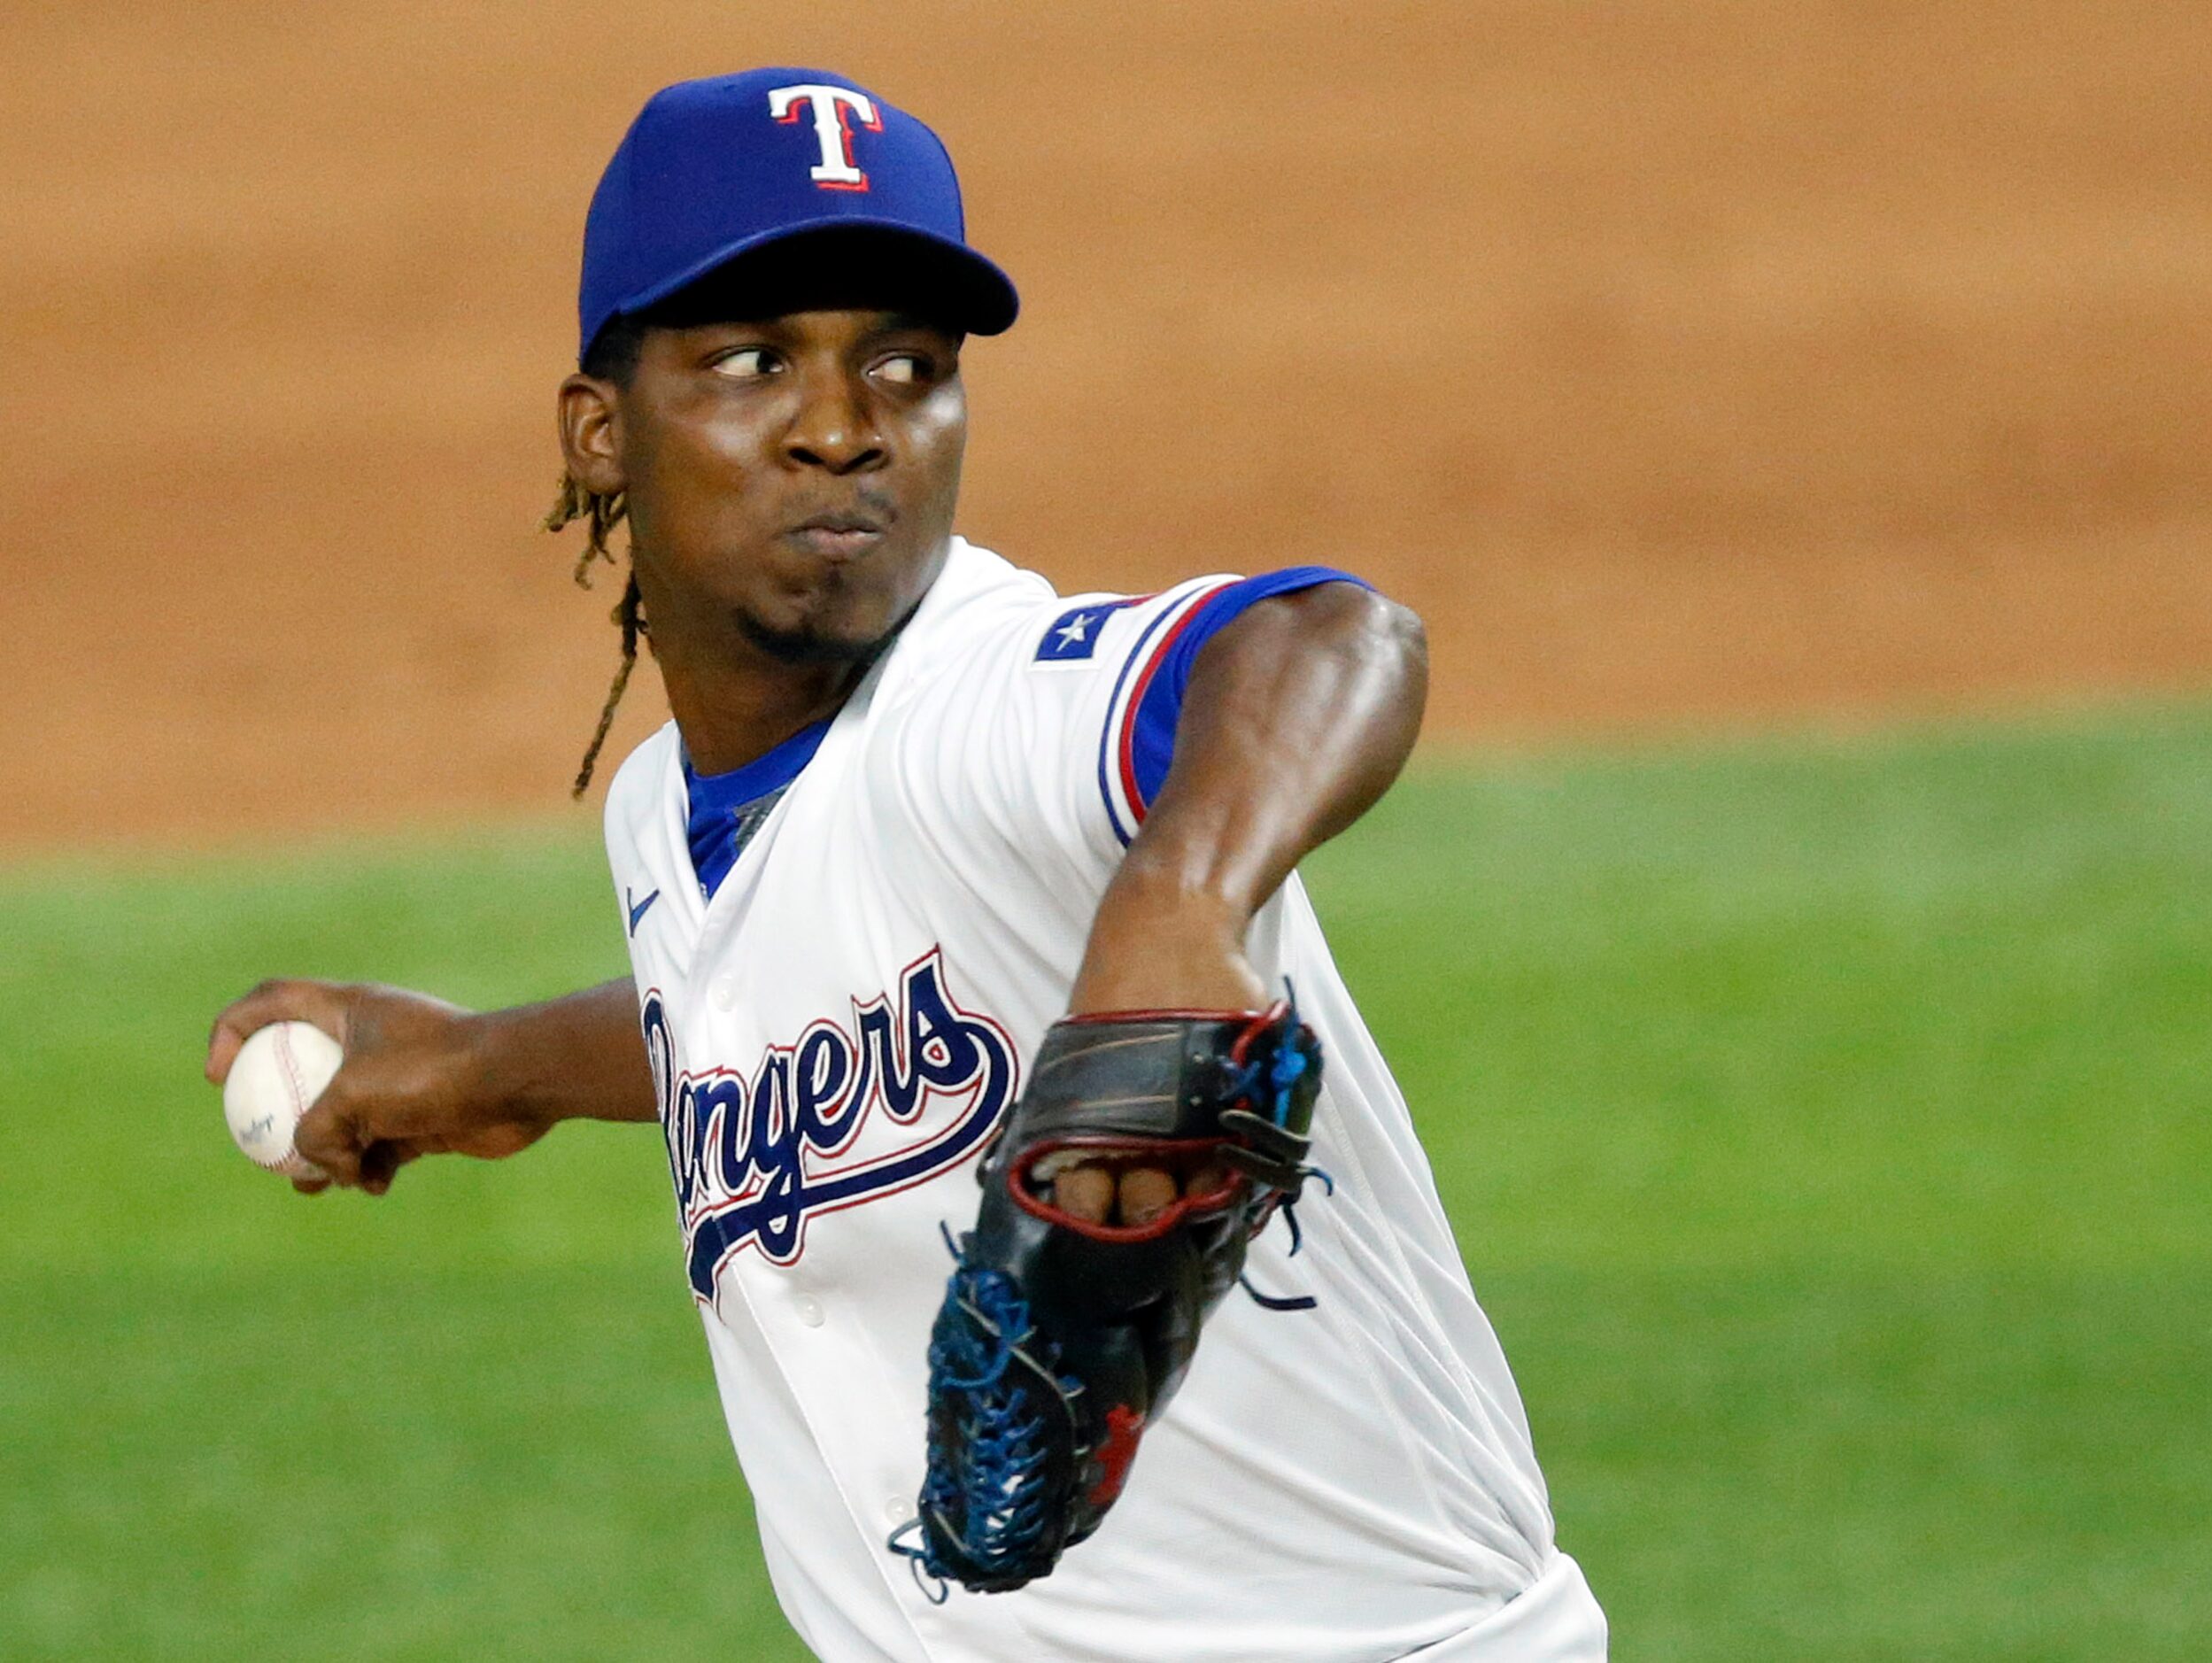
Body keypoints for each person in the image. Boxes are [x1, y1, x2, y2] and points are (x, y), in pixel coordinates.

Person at [205, 67, 1608, 1663]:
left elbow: (1324, 633)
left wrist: (1180, 906)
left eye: (905, 365)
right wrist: (490, 1065)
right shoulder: (666, 814)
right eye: (752, 360)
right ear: (600, 435)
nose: (838, 426)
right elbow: (778, 995)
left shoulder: (986, 706)